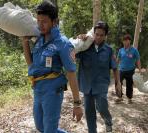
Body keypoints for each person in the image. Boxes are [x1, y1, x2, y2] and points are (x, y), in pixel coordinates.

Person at [21, 1, 83, 133]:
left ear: (54, 21)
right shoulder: (39, 40)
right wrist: (25, 42)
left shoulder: (63, 44)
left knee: (49, 130)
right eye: (38, 21)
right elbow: (30, 63)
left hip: (52, 92)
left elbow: (71, 73)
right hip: (38, 89)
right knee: (40, 127)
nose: (40, 25)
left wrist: (77, 103)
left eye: (44, 21)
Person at [76, 21, 121, 133]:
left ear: (105, 36)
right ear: (93, 34)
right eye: (96, 34)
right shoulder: (85, 46)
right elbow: (72, 51)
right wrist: (79, 39)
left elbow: (115, 67)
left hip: (101, 84)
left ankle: (108, 120)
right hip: (87, 85)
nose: (98, 37)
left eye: (101, 35)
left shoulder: (109, 50)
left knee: (101, 107)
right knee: (89, 112)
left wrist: (118, 83)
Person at [115, 34, 141, 104]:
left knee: (129, 84)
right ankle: (119, 97)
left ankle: (129, 98)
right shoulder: (121, 50)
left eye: (127, 40)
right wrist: (114, 67)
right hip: (121, 70)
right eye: (124, 40)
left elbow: (138, 60)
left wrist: (139, 69)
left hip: (130, 70)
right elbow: (117, 59)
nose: (125, 42)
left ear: (130, 41)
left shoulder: (134, 50)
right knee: (118, 83)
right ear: (123, 41)